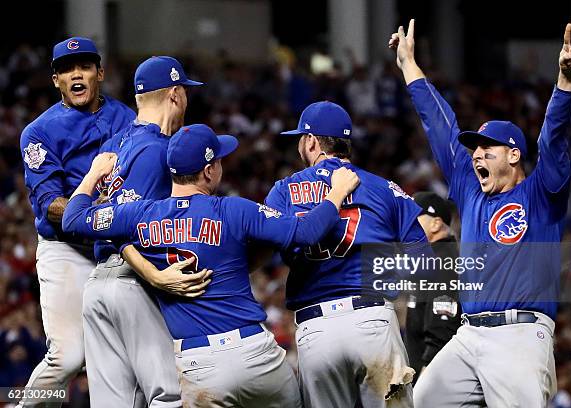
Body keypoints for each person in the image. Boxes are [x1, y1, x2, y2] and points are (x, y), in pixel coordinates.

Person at [62, 124, 361, 407]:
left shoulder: (137, 215)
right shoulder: (234, 209)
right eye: (218, 160)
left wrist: (93, 175)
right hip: (254, 355)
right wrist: (335, 193)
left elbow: (72, 219)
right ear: (208, 171)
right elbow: (307, 232)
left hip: (199, 365)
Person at [389, 20, 571, 406]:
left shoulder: (542, 193)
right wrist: (409, 66)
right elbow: (440, 127)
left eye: (488, 148)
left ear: (514, 155)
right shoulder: (469, 188)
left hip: (519, 335)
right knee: (420, 400)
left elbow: (553, 137)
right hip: (468, 335)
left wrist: (564, 84)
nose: (477, 153)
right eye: (475, 148)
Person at [264, 101, 427, 407]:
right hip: (372, 318)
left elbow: (278, 250)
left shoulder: (283, 191)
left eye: (301, 137)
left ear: (311, 141)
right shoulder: (384, 187)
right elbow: (422, 255)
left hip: (317, 328)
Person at [82, 56, 206, 407]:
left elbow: (96, 217)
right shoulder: (158, 150)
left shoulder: (115, 145)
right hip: (133, 281)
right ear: (176, 95)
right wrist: (153, 274)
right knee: (168, 395)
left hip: (99, 287)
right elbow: (119, 228)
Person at [18, 36, 135, 407]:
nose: (76, 74)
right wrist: (93, 212)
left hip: (116, 248)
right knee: (69, 356)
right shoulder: (39, 131)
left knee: (123, 358)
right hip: (66, 249)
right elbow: (49, 203)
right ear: (56, 80)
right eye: (66, 69)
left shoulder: (127, 119)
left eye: (84, 66)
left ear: (99, 73)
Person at [404, 192, 461, 383]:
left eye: (414, 219)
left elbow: (441, 330)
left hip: (434, 377)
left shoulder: (444, 261)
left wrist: (425, 381)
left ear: (436, 224)